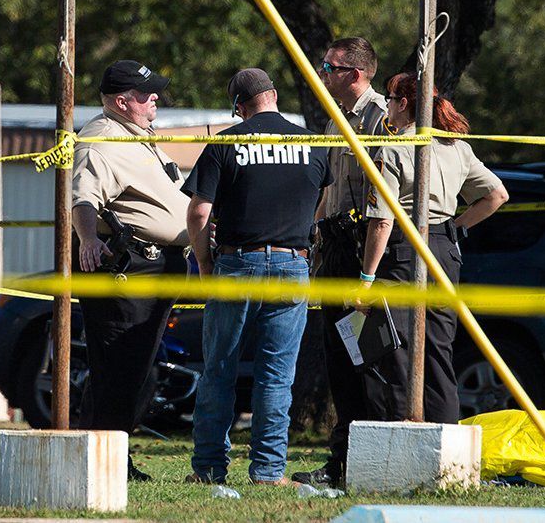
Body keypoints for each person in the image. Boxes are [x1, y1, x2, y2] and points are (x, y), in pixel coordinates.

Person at [181, 68, 326, 486]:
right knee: (277, 376)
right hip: (292, 265)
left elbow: (198, 213)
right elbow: (322, 199)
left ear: (240, 108)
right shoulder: (315, 145)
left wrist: (206, 265)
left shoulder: (227, 144)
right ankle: (268, 471)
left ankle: (208, 468)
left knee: (220, 368)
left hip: (236, 263)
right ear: (275, 96)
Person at [355, 71, 510, 424]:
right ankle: (444, 439)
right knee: (439, 351)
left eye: (391, 101)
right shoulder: (457, 146)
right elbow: (497, 195)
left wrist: (366, 277)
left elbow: (381, 220)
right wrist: (453, 228)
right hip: (444, 250)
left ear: (403, 104)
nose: (386, 108)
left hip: (404, 252)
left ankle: (400, 440)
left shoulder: (394, 149)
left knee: (398, 351)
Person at [69, 58, 190, 481]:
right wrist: (87, 241)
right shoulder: (102, 140)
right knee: (121, 368)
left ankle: (98, 455)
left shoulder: (137, 135)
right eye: (145, 93)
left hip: (156, 267)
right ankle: (104, 461)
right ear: (122, 101)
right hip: (129, 268)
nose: (154, 96)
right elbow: (83, 199)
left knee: (134, 369)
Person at [294, 35, 389, 488]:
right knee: (338, 358)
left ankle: (369, 464)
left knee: (367, 359)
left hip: (360, 251)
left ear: (356, 73)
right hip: (332, 247)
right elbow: (329, 189)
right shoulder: (336, 121)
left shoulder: (381, 118)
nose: (322, 74)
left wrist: (368, 270)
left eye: (330, 68)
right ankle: (340, 462)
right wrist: (311, 234)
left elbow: (383, 200)